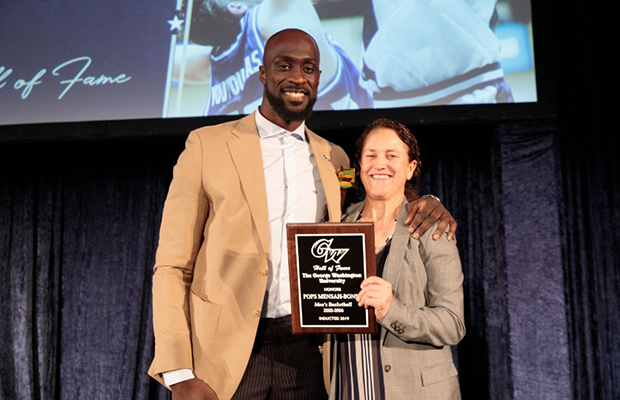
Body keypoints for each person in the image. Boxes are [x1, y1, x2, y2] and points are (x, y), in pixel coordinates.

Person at [149, 29, 456, 400]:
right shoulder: (206, 146)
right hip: (226, 355)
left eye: (308, 68)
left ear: (318, 79)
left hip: (311, 353)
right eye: (285, 66)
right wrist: (179, 371)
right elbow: (172, 267)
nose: (297, 77)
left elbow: (377, 204)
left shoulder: (335, 159)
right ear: (263, 73)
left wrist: (427, 199)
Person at [328, 119, 465, 399]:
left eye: (392, 156)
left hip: (417, 391)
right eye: (371, 156)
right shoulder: (337, 227)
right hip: (350, 387)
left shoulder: (430, 226)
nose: (380, 164)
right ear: (359, 167)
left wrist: (392, 310)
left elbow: (452, 324)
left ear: (410, 168)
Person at [174, 0, 373, 116]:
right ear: (236, 6)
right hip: (339, 157)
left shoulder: (207, 65)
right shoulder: (277, 16)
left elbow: (156, 58)